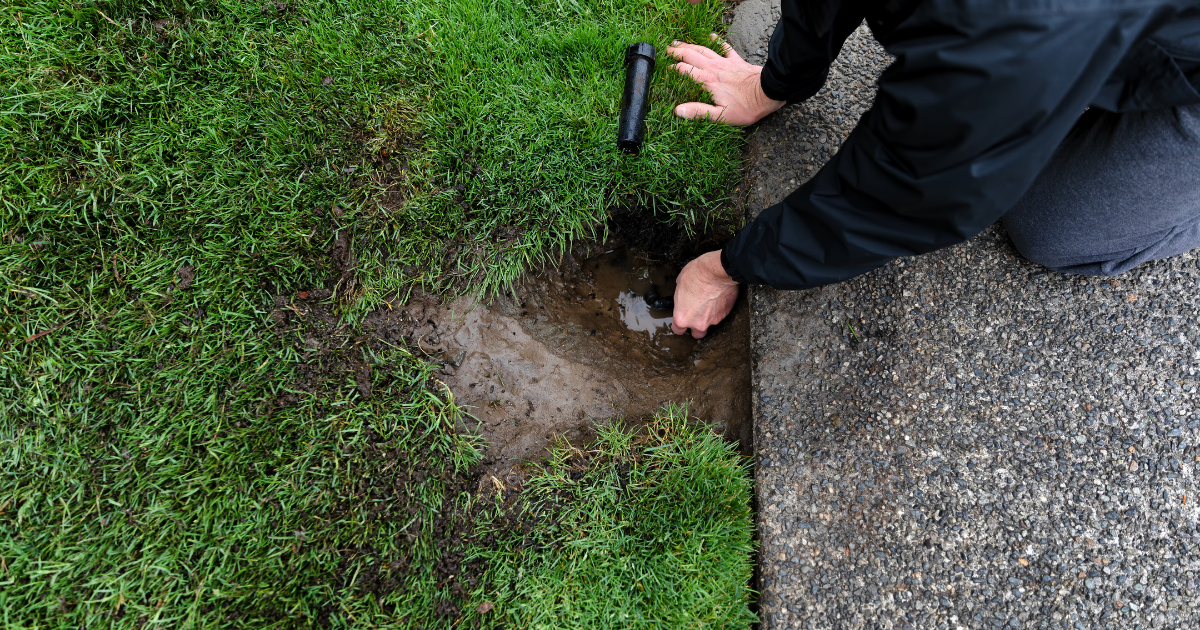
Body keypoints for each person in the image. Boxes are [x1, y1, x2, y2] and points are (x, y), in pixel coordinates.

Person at [666, 0, 1200, 339]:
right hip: (1096, 31)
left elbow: (907, 193)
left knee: (1051, 229)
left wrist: (724, 267)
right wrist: (774, 84)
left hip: (1118, 42)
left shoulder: (1012, 27)